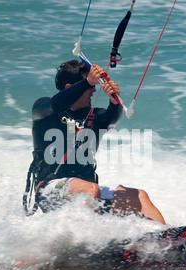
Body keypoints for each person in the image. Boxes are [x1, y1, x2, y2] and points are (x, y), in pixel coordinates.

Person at [23, 59, 165, 225]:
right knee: (90, 189)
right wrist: (87, 82)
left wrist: (114, 102)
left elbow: (111, 121)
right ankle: (90, 241)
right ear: (71, 88)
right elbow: (56, 103)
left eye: (92, 84)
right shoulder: (44, 109)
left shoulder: (95, 116)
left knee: (139, 196)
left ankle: (169, 239)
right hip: (50, 190)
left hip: (88, 193)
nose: (94, 89)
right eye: (89, 85)